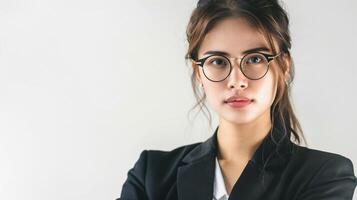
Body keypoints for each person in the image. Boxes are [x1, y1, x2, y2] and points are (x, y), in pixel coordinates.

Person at [118, 0, 357, 199]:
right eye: (218, 62)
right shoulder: (152, 174)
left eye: (255, 59)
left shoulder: (325, 175)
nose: (236, 81)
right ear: (198, 71)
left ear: (284, 65)